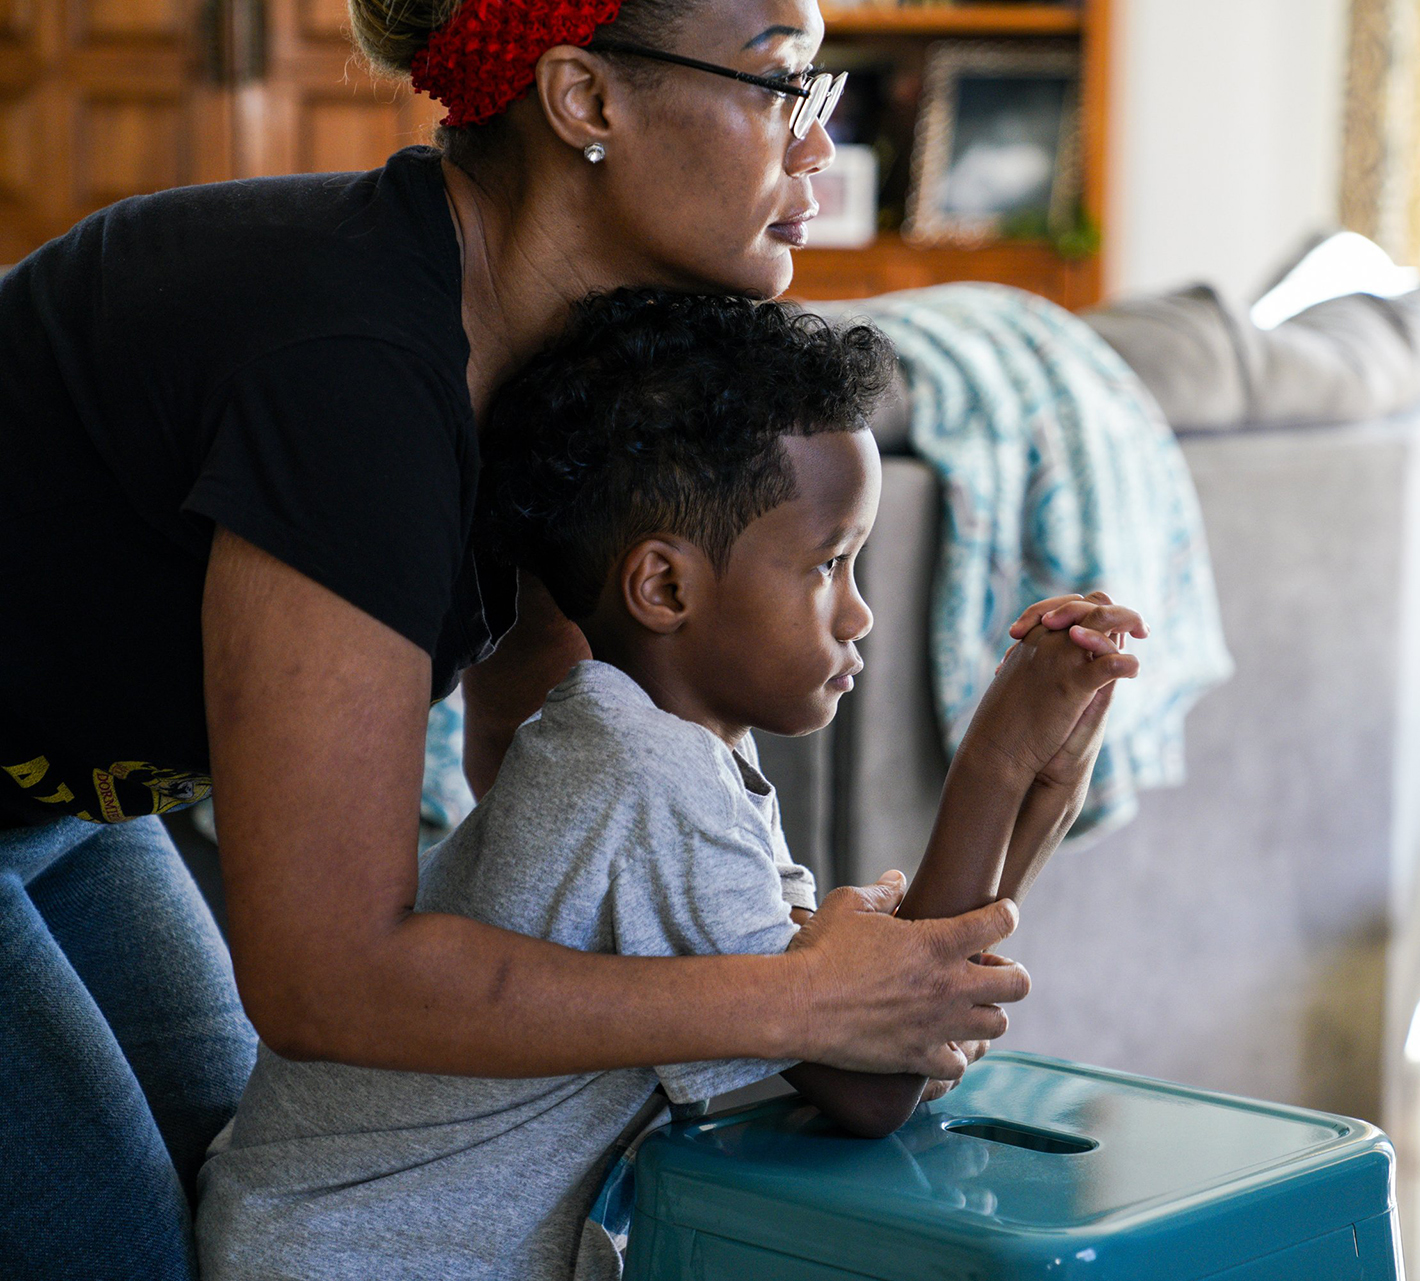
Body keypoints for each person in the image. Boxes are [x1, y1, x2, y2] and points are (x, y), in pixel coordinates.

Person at [0, 0, 1122, 1273]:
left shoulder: (565, 361)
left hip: (64, 806)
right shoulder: (352, 374)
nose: (820, 144)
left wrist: (826, 936)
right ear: (586, 100)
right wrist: (803, 997)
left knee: (222, 1188)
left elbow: (548, 769)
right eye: (781, 86)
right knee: (114, 1251)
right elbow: (325, 981)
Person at [196, 290, 1144, 1279]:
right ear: (664, 587)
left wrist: (1045, 789)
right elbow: (869, 1083)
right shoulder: (648, 776)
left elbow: (887, 1015)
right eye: (828, 564)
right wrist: (995, 766)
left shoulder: (652, 741)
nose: (858, 613)